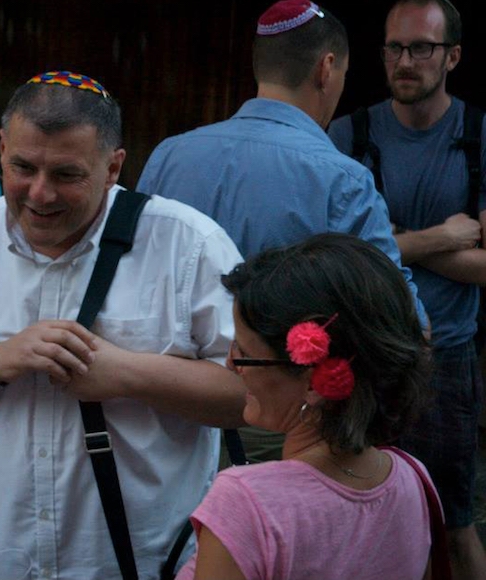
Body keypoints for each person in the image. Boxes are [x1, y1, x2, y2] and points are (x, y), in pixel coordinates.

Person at [0, 70, 246, 579]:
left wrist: (126, 374)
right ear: (0, 148)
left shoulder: (190, 244)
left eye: (66, 175)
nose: (40, 194)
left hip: (142, 567)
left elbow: (252, 398)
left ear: (114, 167)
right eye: (22, 167)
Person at [136, 0, 426, 464]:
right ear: (327, 69)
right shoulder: (341, 178)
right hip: (277, 425)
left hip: (170, 417)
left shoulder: (168, 156)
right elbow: (402, 317)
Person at [328, 1, 486, 577]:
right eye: (394, 48)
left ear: (453, 56)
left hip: (444, 353)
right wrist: (446, 237)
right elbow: (339, 257)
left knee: (453, 523)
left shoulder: (478, 135)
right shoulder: (349, 134)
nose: (405, 61)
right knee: (354, 515)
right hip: (361, 356)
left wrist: (388, 242)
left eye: (421, 48)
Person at [176, 233, 433, 580]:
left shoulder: (247, 502)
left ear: (314, 382)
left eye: (244, 353)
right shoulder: (412, 476)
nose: (230, 365)